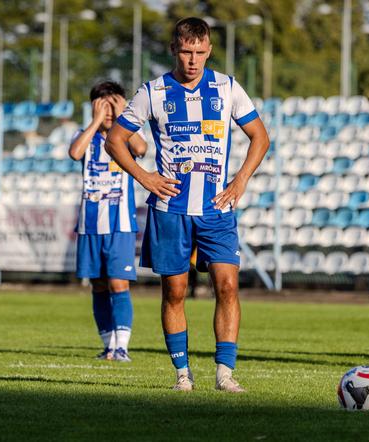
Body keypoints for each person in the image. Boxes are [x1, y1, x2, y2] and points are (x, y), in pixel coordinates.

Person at [105, 17, 270, 392]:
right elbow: (116, 140)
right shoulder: (153, 92)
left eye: (199, 52)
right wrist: (145, 177)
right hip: (170, 210)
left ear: (209, 50)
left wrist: (241, 179)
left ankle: (225, 373)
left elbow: (260, 136)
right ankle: (183, 375)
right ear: (173, 50)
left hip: (217, 208)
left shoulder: (227, 88)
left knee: (227, 286)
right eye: (186, 51)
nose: (193, 60)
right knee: (174, 291)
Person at [68, 81, 147, 362]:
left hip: (119, 224)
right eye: (103, 105)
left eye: (113, 105)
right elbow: (75, 152)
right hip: (90, 224)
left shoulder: (123, 139)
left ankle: (121, 346)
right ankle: (108, 345)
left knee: (118, 283)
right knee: (98, 286)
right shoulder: (85, 136)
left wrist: (121, 114)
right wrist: (96, 121)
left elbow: (142, 147)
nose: (109, 112)